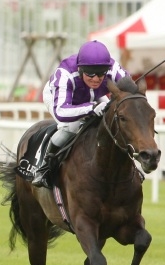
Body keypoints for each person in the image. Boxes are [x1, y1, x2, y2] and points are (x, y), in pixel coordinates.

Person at [31, 40, 129, 188]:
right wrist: (91, 108)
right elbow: (62, 111)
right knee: (70, 127)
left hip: (93, 95)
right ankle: (44, 168)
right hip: (61, 101)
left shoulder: (112, 68)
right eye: (90, 74)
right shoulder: (64, 74)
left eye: (101, 74)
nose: (96, 79)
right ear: (80, 69)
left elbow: (129, 88)